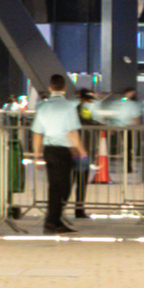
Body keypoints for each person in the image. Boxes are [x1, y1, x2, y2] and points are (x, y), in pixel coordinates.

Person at [32, 71, 87, 235]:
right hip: (64, 150)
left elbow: (37, 133)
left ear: (50, 87)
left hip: (49, 149)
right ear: (64, 87)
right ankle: (51, 222)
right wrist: (82, 151)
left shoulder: (43, 107)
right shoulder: (69, 106)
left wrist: (37, 155)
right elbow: (72, 132)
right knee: (64, 187)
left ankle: (55, 221)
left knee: (54, 187)